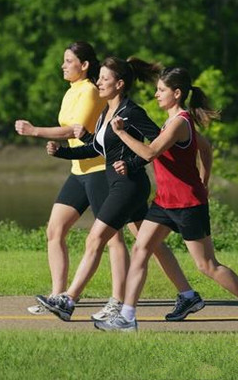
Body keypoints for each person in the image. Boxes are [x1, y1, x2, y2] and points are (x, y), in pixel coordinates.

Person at [95, 67, 238, 334]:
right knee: (140, 250)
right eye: (157, 89)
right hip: (164, 203)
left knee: (207, 265)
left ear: (176, 93)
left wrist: (122, 133)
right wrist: (205, 178)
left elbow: (151, 151)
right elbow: (205, 148)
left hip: (188, 204)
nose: (156, 94)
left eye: (161, 90)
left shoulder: (179, 122)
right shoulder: (170, 123)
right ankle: (128, 318)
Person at [36, 57, 206, 322]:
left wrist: (133, 162)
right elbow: (98, 148)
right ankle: (187, 295)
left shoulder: (132, 112)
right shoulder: (107, 112)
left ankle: (68, 300)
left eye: (104, 78)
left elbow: (156, 144)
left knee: (95, 239)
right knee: (151, 244)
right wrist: (62, 152)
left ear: (119, 84)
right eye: (99, 78)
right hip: (121, 183)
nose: (99, 82)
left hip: (129, 186)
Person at [15, 41, 132, 319]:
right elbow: (72, 131)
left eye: (69, 61)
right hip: (78, 172)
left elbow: (72, 130)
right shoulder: (71, 92)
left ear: (85, 65)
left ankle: (118, 300)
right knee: (54, 231)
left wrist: (35, 131)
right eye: (64, 61)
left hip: (98, 172)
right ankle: (57, 296)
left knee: (113, 238)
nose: (63, 65)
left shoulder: (91, 91)